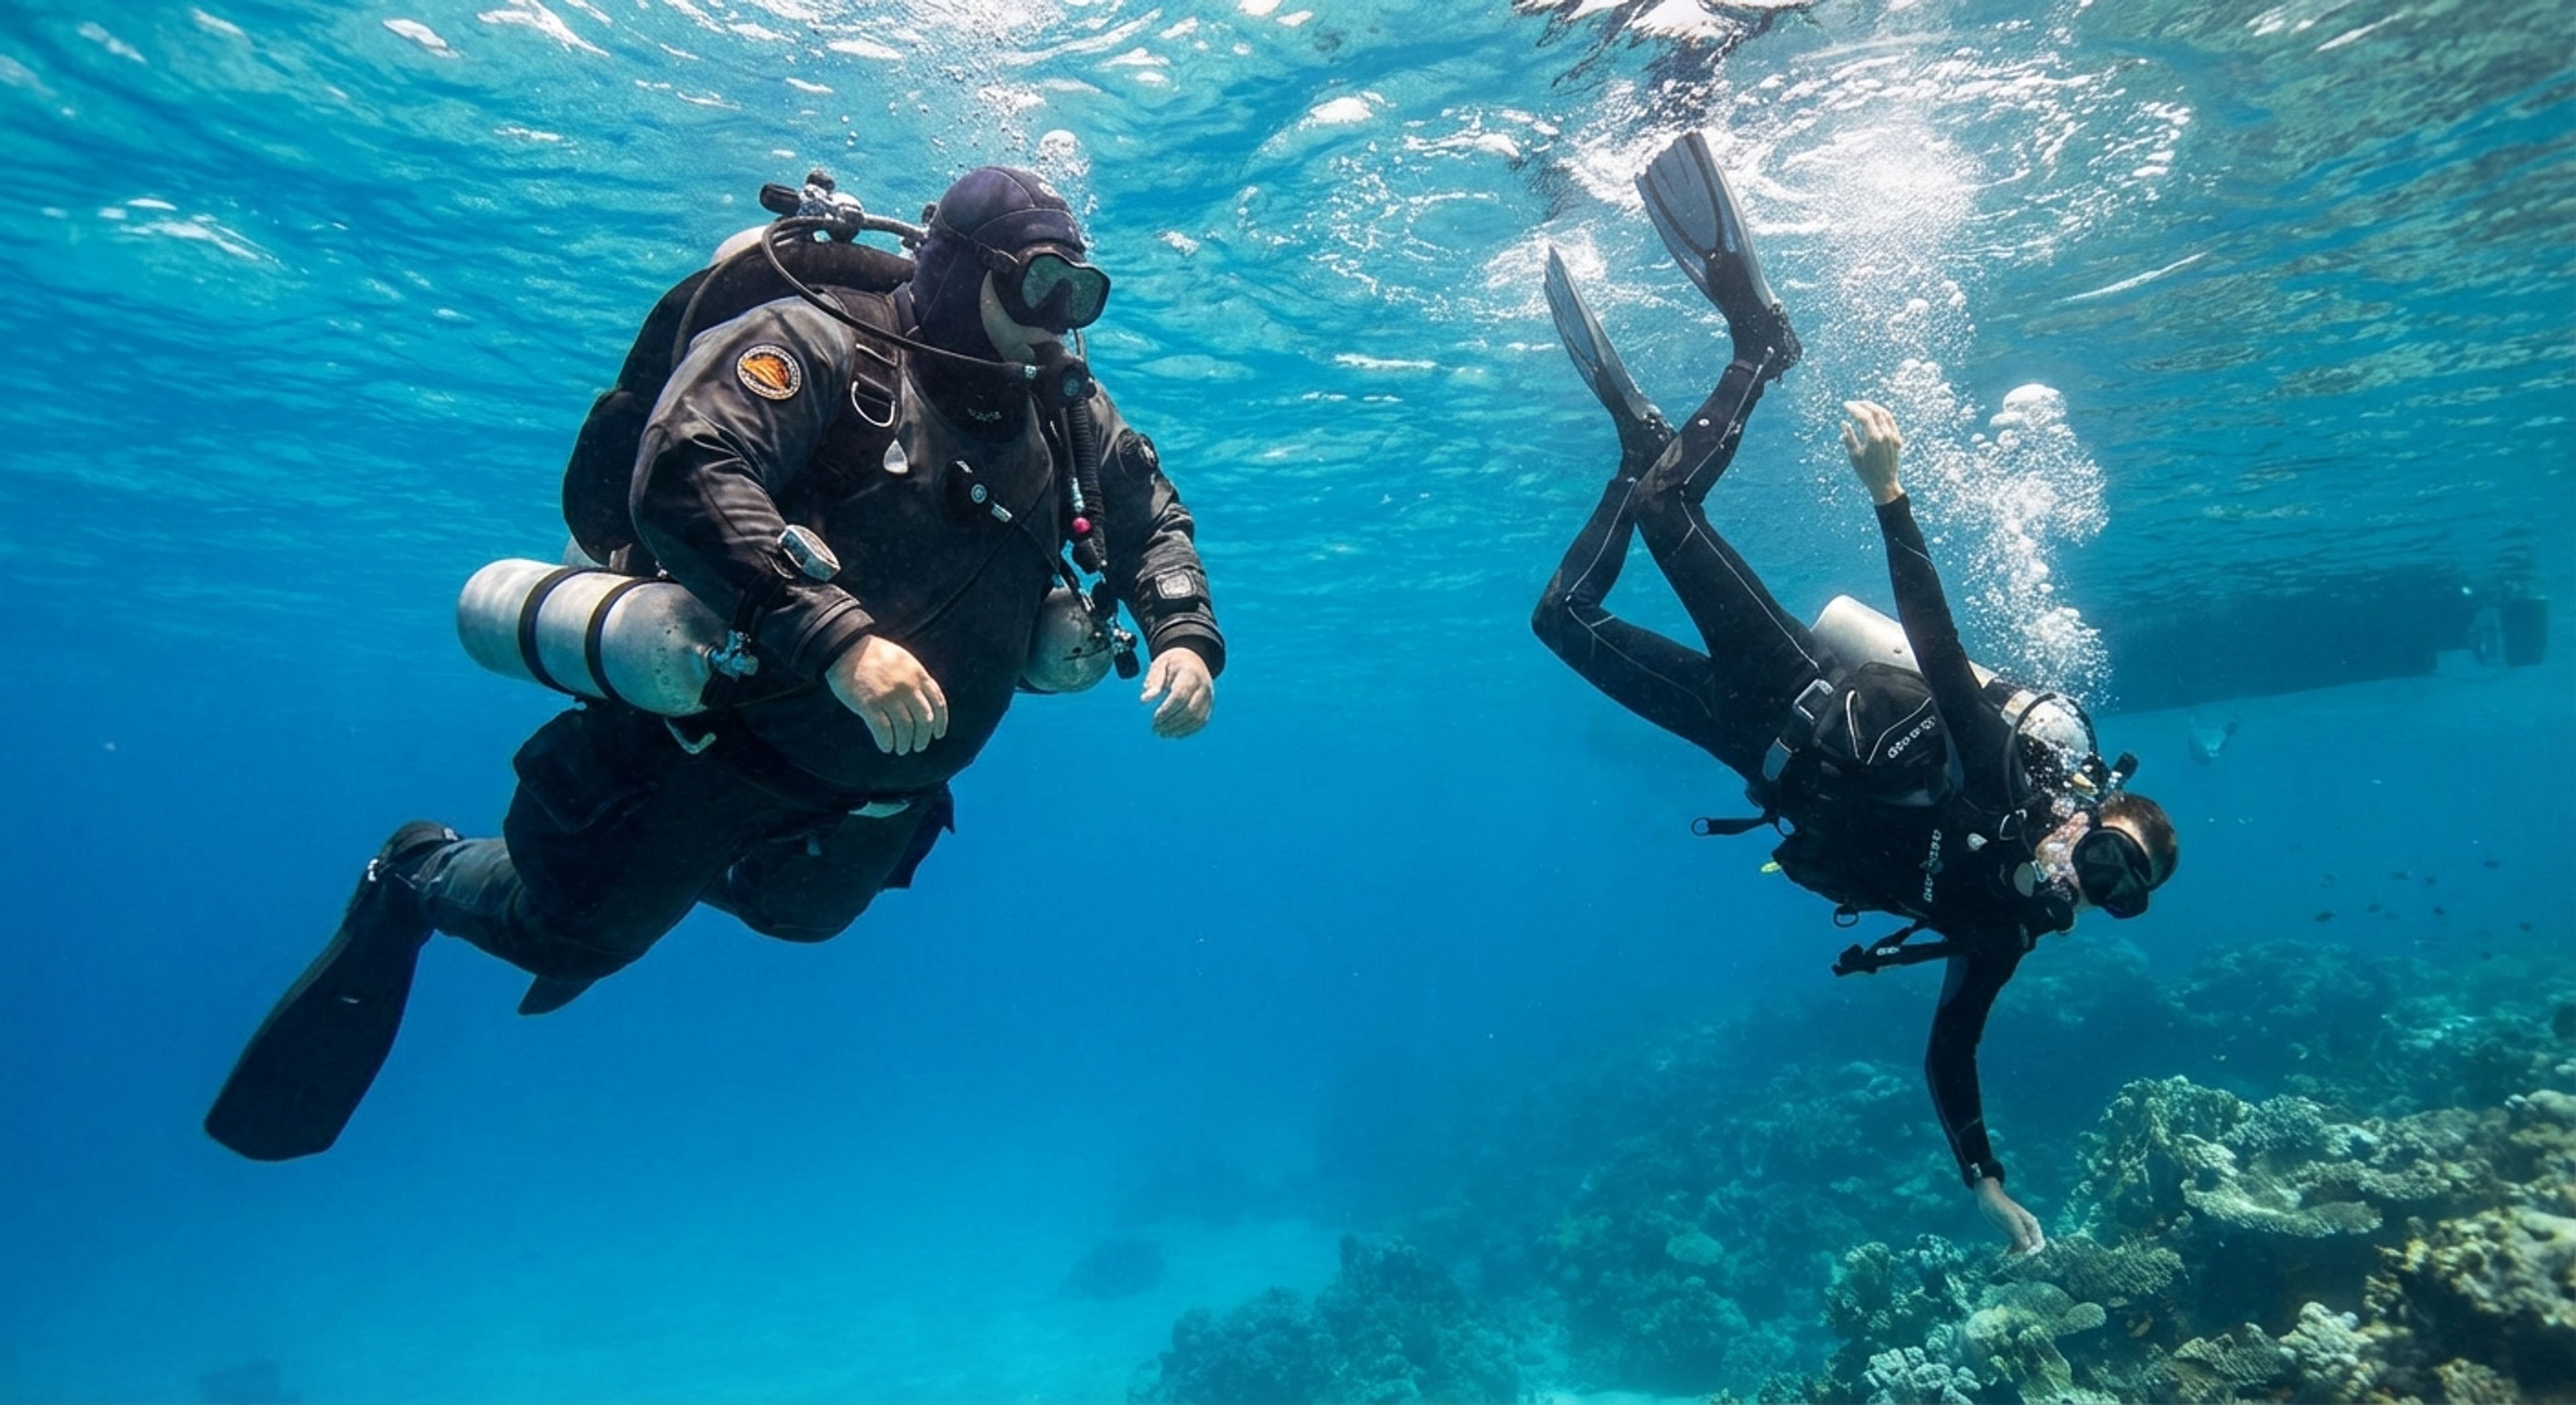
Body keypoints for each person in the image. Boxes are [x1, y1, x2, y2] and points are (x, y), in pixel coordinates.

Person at [207, 166, 1226, 1161]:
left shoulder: (1063, 412)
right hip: (716, 748)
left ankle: (664, 877)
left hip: (883, 786)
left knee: (800, 920)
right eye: (1039, 284)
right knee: (569, 937)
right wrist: (837, 638)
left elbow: (1150, 519)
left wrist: (1182, 633)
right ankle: (416, 871)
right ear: (963, 270)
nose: (1059, 320)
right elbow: (689, 470)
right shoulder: (818, 343)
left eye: (1080, 293)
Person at [1529, 133, 2180, 1255]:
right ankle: (1760, 345)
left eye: (2117, 893)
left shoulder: (1998, 929)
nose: (2092, 879)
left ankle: (1638, 450)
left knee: (1562, 619)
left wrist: (1985, 1182)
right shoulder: (2004, 777)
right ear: (2088, 813)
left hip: (1745, 747)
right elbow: (1937, 646)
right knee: (1670, 515)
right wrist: (1890, 497)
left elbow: (1952, 1050)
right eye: (2109, 854)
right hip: (1791, 678)